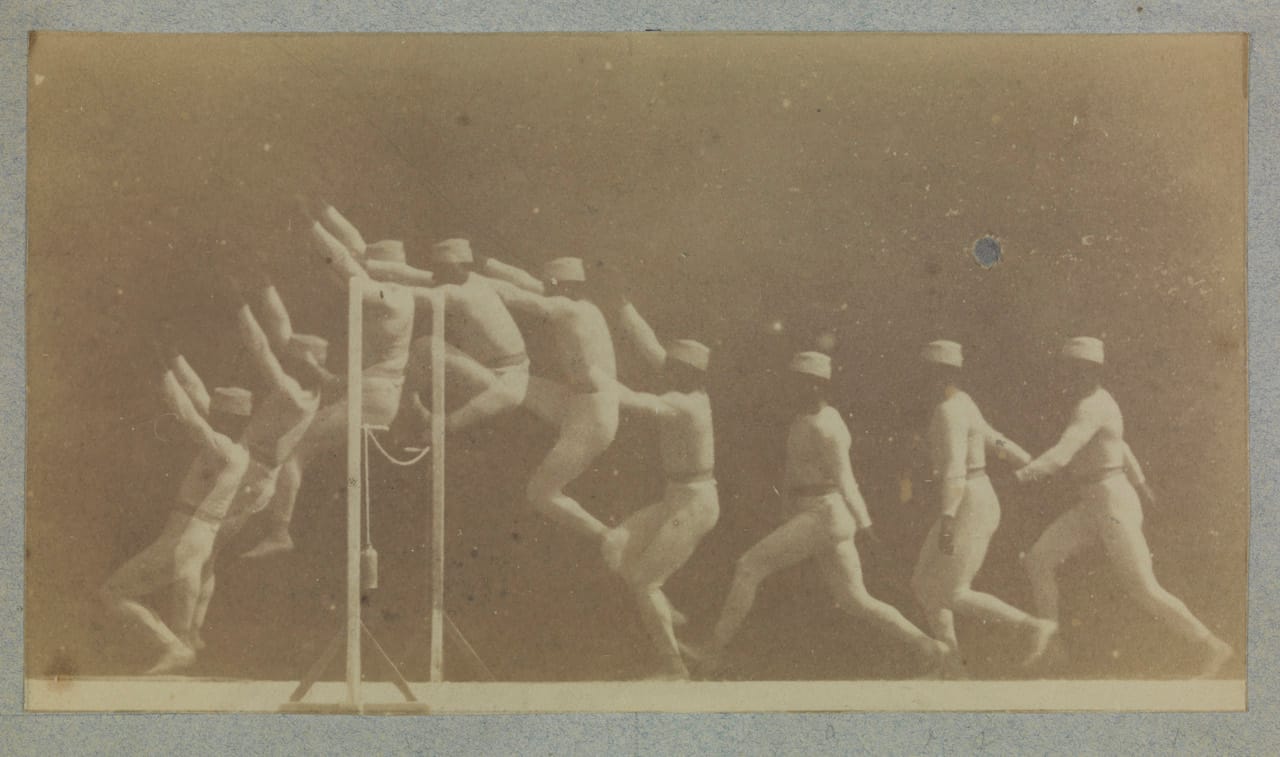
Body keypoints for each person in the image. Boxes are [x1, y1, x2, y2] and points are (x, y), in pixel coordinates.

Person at [684, 352, 947, 674]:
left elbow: (845, 480)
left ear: (815, 387)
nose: (790, 390)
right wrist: (788, 515)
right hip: (819, 515)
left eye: (798, 384)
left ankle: (713, 653)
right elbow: (794, 474)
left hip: (827, 515)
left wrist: (866, 526)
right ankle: (931, 648)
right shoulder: (804, 418)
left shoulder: (827, 427)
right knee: (855, 599)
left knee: (748, 567)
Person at [1016, 336, 1233, 678]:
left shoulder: (1091, 407)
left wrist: (1020, 476)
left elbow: (1062, 454)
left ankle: (1211, 645)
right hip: (1095, 502)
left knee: (1143, 588)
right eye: (1067, 371)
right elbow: (1121, 444)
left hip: (1112, 502)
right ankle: (1052, 647)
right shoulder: (1096, 401)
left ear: (1090, 372)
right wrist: (1142, 481)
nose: (1068, 378)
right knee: (1039, 559)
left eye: (1075, 371)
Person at [241, 205, 415, 559]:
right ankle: (277, 525)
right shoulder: (392, 293)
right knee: (298, 442)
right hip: (367, 389)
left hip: (374, 397)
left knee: (294, 451)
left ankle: (280, 532)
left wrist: (310, 225)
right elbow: (351, 252)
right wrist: (323, 210)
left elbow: (346, 268)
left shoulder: (390, 298)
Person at [186, 281, 332, 648]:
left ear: (299, 366)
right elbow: (279, 333)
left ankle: (189, 632)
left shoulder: (292, 394)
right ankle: (192, 631)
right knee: (209, 553)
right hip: (258, 475)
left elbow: (262, 348)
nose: (286, 362)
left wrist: (239, 307)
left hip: (253, 476)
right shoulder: (311, 394)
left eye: (292, 360)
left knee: (203, 551)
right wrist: (264, 287)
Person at [908, 340, 1058, 678]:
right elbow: (995, 438)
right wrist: (1025, 459)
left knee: (953, 591)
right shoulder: (963, 403)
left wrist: (947, 518)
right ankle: (951, 666)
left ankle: (1033, 626)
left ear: (940, 374)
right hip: (969, 498)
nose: (923, 380)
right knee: (922, 583)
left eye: (929, 373)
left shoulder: (949, 411)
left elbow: (955, 469)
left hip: (967, 502)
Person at [99, 349, 251, 674]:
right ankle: (179, 643)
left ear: (226, 419)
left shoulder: (221, 448)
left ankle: (173, 646)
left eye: (218, 413)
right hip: (195, 536)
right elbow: (198, 396)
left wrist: (162, 376)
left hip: (185, 537)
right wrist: (174, 358)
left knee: (112, 592)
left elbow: (191, 416)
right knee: (124, 595)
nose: (212, 413)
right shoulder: (237, 450)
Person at [598, 295, 720, 679]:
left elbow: (636, 401)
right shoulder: (684, 384)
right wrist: (624, 306)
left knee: (644, 582)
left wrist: (591, 376)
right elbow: (650, 344)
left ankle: (675, 668)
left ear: (686, 376)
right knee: (614, 544)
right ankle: (669, 623)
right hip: (677, 498)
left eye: (672, 369)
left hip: (696, 504)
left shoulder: (687, 404)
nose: (663, 369)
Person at [475, 255, 620, 545]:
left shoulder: (569, 309)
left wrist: (469, 279)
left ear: (561, 287)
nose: (544, 288)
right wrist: (490, 263)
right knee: (511, 381)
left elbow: (518, 296)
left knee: (540, 493)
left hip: (593, 416)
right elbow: (526, 281)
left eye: (549, 285)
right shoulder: (579, 303)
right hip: (578, 404)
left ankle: (608, 536)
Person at [360, 237, 532, 442]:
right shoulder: (477, 280)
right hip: (512, 373)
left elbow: (402, 294)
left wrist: (359, 280)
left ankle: (416, 417)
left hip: (502, 383)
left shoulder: (455, 294)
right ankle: (413, 410)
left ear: (453, 268)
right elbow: (414, 274)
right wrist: (367, 265)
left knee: (426, 347)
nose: (434, 275)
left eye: (439, 270)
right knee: (425, 348)